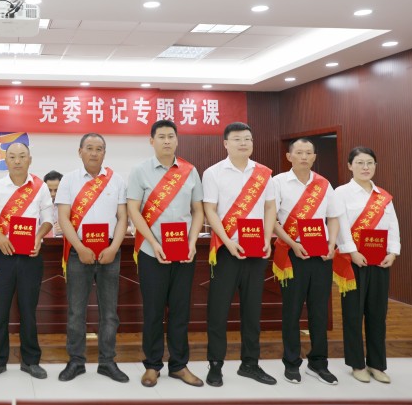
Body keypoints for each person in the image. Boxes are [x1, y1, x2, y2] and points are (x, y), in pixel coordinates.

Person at [127, 120, 204, 388]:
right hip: (151, 252)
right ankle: (152, 365)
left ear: (177, 140)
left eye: (171, 136)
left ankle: (179, 365)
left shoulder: (190, 171)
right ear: (152, 141)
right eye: (161, 136)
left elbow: (198, 210)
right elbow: (133, 210)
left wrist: (192, 242)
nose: (167, 141)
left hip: (184, 252)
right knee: (153, 311)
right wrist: (153, 242)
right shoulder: (140, 171)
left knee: (180, 311)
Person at [202, 122, 277, 387]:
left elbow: (270, 208)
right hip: (225, 251)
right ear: (226, 143)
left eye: (247, 138)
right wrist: (227, 241)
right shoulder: (213, 173)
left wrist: (267, 238)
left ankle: (250, 364)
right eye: (237, 139)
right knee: (218, 311)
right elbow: (210, 210)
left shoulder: (264, 173)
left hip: (256, 251)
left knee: (252, 310)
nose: (243, 143)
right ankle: (215, 365)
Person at [55, 133, 129, 383]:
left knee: (109, 313)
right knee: (76, 311)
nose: (94, 153)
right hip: (79, 253)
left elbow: (122, 217)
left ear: (104, 153)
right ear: (80, 152)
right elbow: (63, 217)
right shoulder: (69, 180)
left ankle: (107, 362)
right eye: (89, 148)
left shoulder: (116, 180)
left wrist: (114, 247)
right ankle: (76, 361)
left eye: (99, 149)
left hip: (110, 252)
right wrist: (80, 247)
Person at [0, 143, 53, 381]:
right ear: (6, 161)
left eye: (22, 156)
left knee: (28, 310)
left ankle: (31, 361)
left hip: (31, 255)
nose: (18, 161)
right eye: (12, 157)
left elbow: (48, 218)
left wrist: (39, 237)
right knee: (0, 310)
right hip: (3, 255)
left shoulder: (40, 187)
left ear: (30, 159)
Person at [272, 138, 341, 385]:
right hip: (292, 255)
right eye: (299, 152)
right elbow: (272, 220)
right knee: (292, 311)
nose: (303, 157)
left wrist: (332, 244)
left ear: (314, 157)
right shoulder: (278, 182)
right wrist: (293, 244)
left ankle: (318, 363)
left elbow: (333, 217)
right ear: (289, 156)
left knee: (319, 311)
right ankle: (291, 363)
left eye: (308, 153)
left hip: (321, 254)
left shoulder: (324, 184)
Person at [333, 147, 400, 384]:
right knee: (353, 314)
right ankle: (357, 364)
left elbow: (392, 225)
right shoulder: (341, 193)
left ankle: (376, 364)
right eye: (360, 163)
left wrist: (393, 252)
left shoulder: (383, 196)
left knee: (377, 314)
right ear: (350, 166)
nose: (365, 167)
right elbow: (340, 224)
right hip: (352, 262)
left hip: (380, 261)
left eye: (370, 163)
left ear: (375, 166)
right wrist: (352, 251)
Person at [43, 170, 63, 237]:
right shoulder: (38, 204)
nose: (53, 194)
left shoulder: (69, 205)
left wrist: (66, 229)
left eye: (56, 190)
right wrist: (52, 231)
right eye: (49, 190)